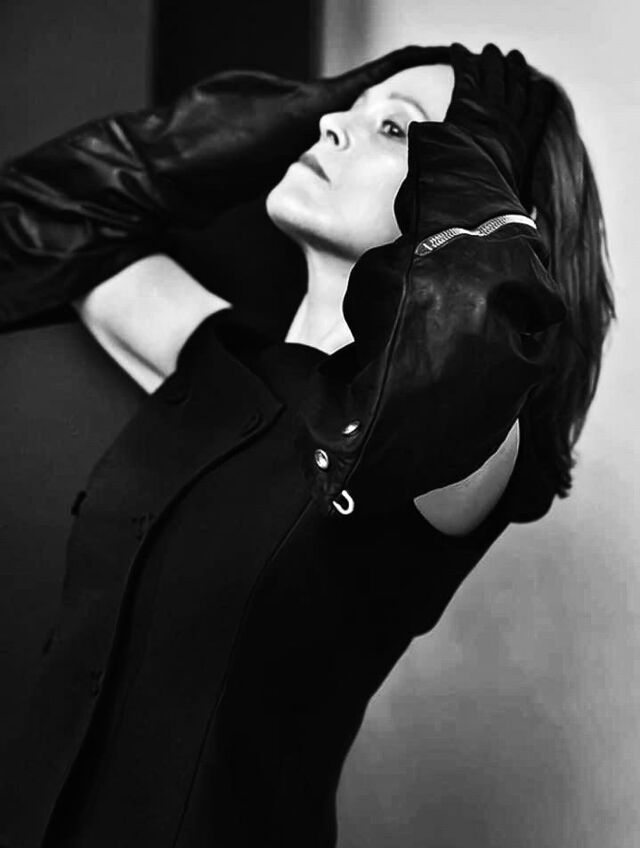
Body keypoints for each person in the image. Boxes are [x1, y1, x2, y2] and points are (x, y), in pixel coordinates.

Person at [0, 43, 614, 848]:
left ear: (481, 200)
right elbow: (38, 213)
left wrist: (472, 157)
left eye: (395, 130)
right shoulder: (213, 361)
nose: (332, 128)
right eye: (340, 113)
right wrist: (309, 105)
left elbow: (471, 330)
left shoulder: (471, 439)